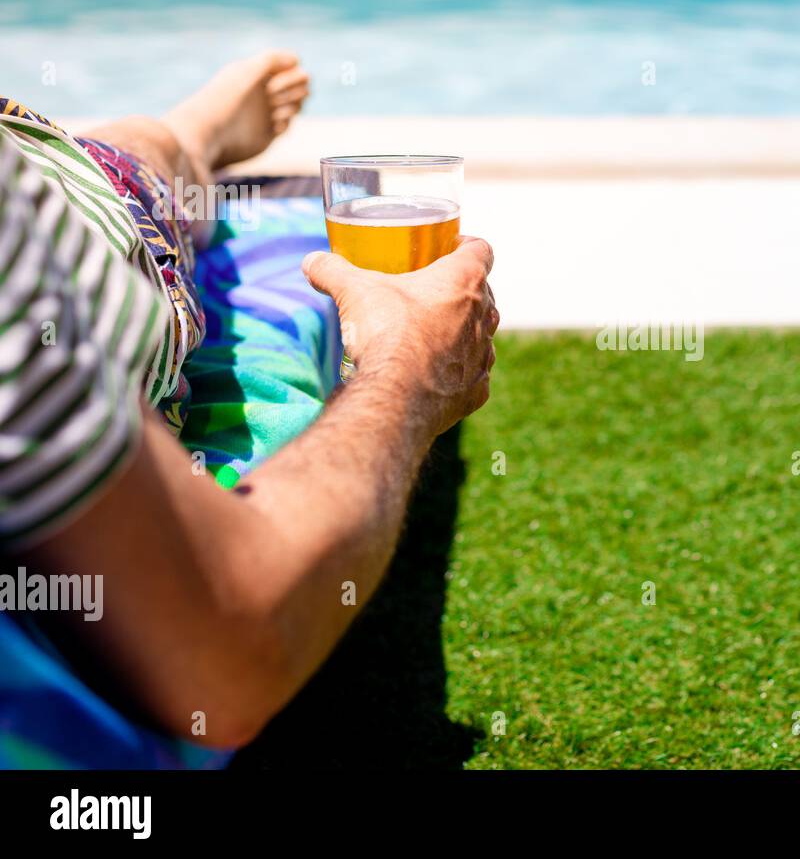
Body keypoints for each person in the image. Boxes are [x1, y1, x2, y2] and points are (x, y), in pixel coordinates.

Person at [0, 52, 498, 750]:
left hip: (43, 170)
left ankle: (192, 132)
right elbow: (226, 647)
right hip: (104, 209)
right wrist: (413, 366)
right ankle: (186, 135)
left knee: (135, 156)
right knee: (131, 169)